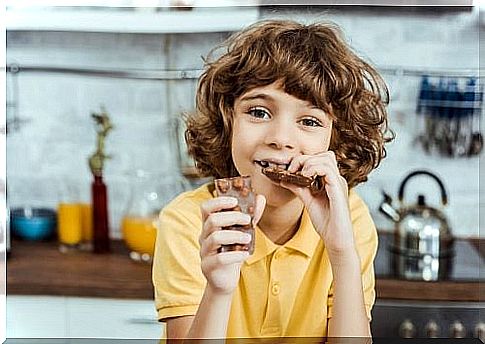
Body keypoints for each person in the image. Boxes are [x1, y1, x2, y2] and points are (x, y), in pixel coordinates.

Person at [152, 19, 394, 340]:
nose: (281, 139)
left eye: (309, 120)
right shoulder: (188, 222)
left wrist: (342, 254)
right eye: (259, 112)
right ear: (228, 123)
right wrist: (219, 290)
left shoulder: (349, 218)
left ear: (334, 143)